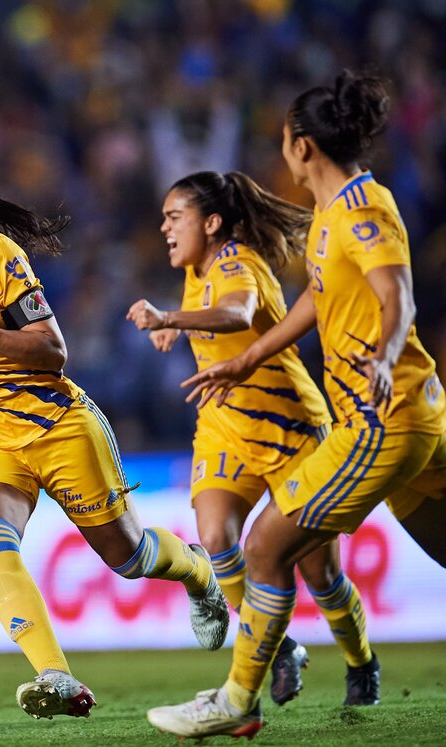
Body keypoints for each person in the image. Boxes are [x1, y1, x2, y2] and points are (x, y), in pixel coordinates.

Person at [0, 152, 230, 721]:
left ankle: (196, 569)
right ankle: (57, 676)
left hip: (54, 424)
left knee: (130, 557)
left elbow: (52, 349)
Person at [147, 71, 446, 740]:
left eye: (284, 137)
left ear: (302, 145)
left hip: (380, 418)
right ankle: (275, 671)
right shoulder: (333, 213)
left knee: (266, 550)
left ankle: (239, 697)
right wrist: (248, 356)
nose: (281, 149)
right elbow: (318, 298)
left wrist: (385, 349)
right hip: (414, 413)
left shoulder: (359, 211)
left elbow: (396, 290)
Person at [127, 170, 377, 707]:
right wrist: (182, 324)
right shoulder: (197, 268)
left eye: (176, 218)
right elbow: (216, 314)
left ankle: (362, 662)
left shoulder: (239, 262)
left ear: (212, 223)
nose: (165, 228)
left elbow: (238, 311)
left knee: (322, 576)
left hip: (290, 428)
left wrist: (169, 315)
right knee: (216, 538)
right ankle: (281, 646)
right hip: (225, 430)